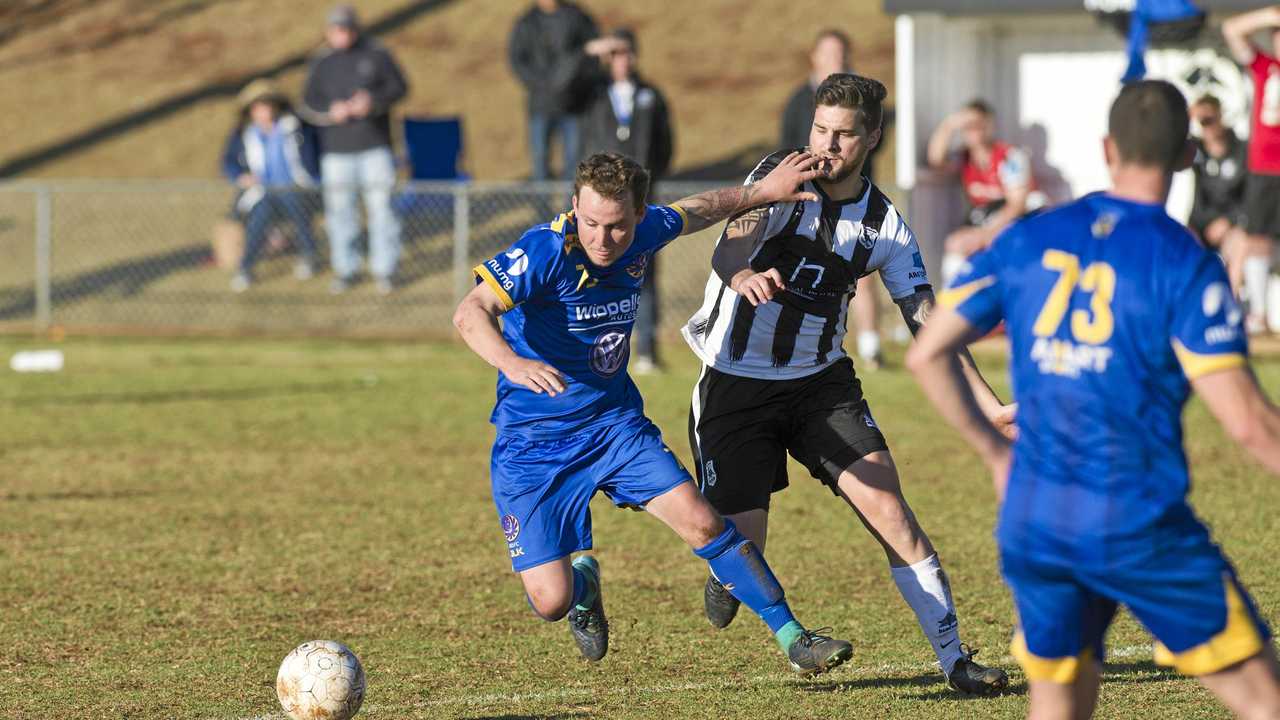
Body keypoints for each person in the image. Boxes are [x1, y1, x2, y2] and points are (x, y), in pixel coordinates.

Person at [907, 79, 1280, 720]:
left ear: (1108, 148)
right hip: (1136, 520)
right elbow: (1249, 424)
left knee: (1057, 705)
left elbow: (926, 351)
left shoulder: (1029, 239)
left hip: (1036, 519)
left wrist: (997, 457)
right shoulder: (1182, 262)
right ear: (1187, 154)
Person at [452, 151, 856, 674]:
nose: (602, 239)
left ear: (639, 216)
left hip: (614, 427)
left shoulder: (644, 233)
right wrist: (512, 362)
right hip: (533, 445)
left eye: (617, 227)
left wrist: (762, 192)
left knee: (704, 522)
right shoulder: (547, 248)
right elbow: (470, 310)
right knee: (549, 601)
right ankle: (584, 585)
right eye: (591, 222)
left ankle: (794, 637)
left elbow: (698, 208)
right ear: (575, 206)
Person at [682, 73, 1012, 695]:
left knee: (890, 506)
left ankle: (955, 662)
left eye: (842, 136)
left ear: (872, 138)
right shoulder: (780, 180)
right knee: (742, 551)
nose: (827, 146)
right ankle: (729, 564)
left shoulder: (885, 224)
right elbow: (730, 249)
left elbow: (926, 319)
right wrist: (743, 274)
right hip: (735, 384)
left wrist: (989, 405)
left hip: (820, 386)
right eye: (820, 130)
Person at [780, 29, 885, 369]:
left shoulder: (863, 101)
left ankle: (870, 348)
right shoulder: (799, 99)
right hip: (808, 198)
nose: (836, 60)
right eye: (828, 53)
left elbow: (874, 142)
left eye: (841, 53)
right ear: (814, 57)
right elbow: (787, 144)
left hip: (853, 202)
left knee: (863, 272)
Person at [580, 28, 674, 374]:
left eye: (627, 52)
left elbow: (665, 144)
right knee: (593, 273)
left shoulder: (651, 95)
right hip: (600, 201)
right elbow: (559, 89)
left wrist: (646, 183)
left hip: (640, 200)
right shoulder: (593, 93)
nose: (622, 60)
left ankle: (647, 349)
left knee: (644, 270)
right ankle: (593, 350)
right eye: (615, 53)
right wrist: (590, 53)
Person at [302, 4, 409, 295]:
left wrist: (372, 102)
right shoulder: (322, 62)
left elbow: (400, 87)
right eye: (336, 28)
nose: (342, 33)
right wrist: (331, 110)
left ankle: (385, 269)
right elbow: (309, 103)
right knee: (340, 213)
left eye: (347, 27)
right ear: (328, 31)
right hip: (336, 151)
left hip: (375, 146)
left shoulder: (376, 53)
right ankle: (345, 268)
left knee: (382, 209)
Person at [927, 100, 1044, 287]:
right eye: (967, 126)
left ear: (989, 126)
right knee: (956, 245)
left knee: (967, 244)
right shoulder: (965, 158)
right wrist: (950, 124)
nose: (972, 131)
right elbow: (936, 159)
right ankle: (953, 301)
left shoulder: (1010, 157)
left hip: (1020, 219)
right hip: (987, 217)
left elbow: (1017, 205)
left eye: (977, 125)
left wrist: (986, 234)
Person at [220, 79, 321, 293]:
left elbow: (312, 159)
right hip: (262, 192)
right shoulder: (244, 135)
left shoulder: (296, 128)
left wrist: (313, 179)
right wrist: (241, 176)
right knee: (260, 216)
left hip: (295, 188)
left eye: (266, 105)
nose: (263, 111)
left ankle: (309, 256)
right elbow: (228, 162)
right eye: (257, 107)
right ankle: (245, 267)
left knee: (295, 205)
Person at [508, 0, 612, 181]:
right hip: (540, 105)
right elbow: (517, 59)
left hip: (573, 104)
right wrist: (540, 84)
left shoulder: (576, 17)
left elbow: (593, 52)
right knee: (540, 159)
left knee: (574, 161)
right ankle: (542, 208)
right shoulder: (527, 22)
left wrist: (579, 82)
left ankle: (569, 207)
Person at [1224, 6, 1280, 332]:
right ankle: (1258, 314)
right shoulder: (1265, 67)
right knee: (1257, 239)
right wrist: (1270, 16)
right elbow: (1232, 29)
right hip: (1264, 167)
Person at [1188, 94, 1251, 293]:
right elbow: (1166, 141)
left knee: (1240, 242)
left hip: (1230, 227)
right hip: (1198, 226)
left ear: (1221, 116)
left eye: (1210, 119)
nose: (1207, 126)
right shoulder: (1194, 152)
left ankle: (1230, 303)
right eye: (1201, 121)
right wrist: (1187, 117)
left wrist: (1229, 221)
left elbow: (1251, 197)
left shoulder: (1242, 151)